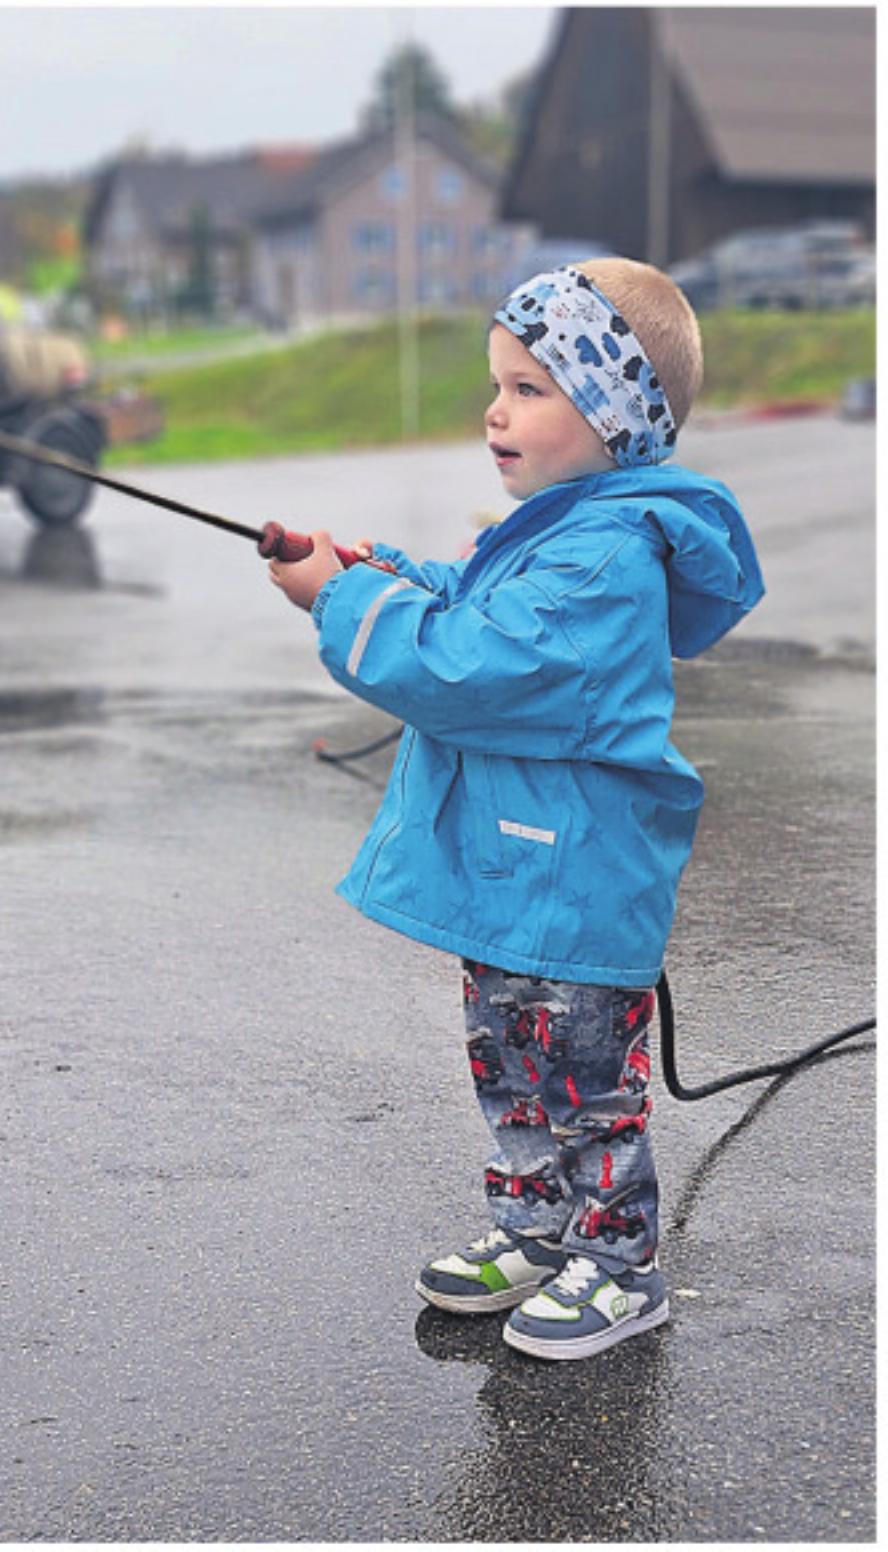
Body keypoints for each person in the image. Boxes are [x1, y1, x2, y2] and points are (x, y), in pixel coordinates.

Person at [268, 258, 764, 1361]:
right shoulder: (552, 527)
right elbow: (462, 600)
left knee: (585, 1080)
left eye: (533, 389)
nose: (497, 409)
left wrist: (344, 603)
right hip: (515, 874)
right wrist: (372, 566)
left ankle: (620, 1261)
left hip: (576, 883)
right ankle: (540, 1228)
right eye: (498, 383)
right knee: (512, 1060)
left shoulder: (602, 556)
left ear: (615, 416)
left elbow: (466, 668)